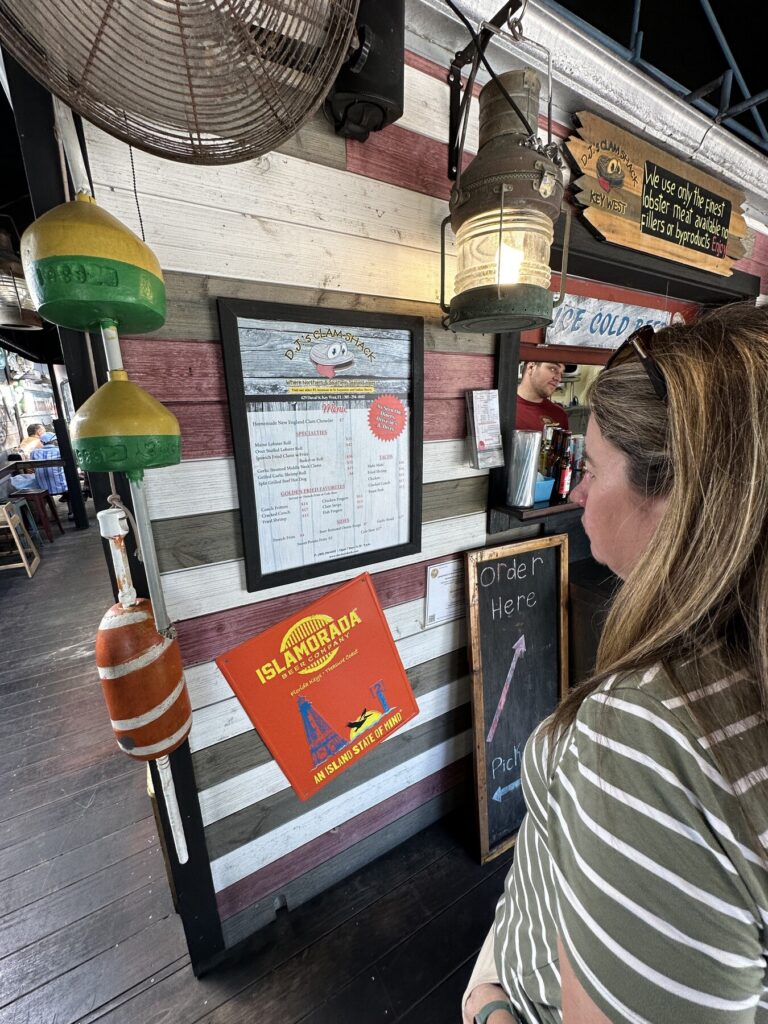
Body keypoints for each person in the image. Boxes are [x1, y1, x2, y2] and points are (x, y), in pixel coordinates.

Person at [463, 304, 768, 1024]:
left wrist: (489, 1007)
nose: (575, 493)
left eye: (592, 470)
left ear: (677, 497)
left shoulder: (648, 734)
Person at [515, 361, 569, 432]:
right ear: (531, 367)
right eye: (553, 369)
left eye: (561, 374)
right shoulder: (500, 407)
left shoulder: (559, 415)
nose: (559, 379)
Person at [29, 431, 68, 499]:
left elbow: (33, 468)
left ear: (42, 442)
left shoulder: (34, 453)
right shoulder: (60, 451)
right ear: (54, 441)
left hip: (42, 488)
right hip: (62, 487)